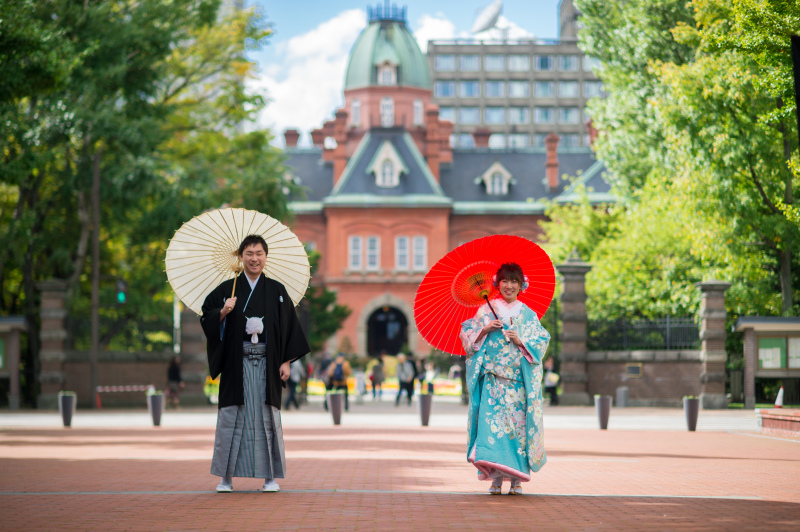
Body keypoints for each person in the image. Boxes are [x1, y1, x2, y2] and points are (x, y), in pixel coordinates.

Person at [200, 234, 310, 493]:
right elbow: (207, 316)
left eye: (259, 253)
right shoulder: (227, 289)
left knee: (266, 418)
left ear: (266, 257)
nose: (254, 258)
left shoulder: (277, 291)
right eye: (249, 253)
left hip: (267, 364)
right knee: (232, 418)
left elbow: (288, 329)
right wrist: (223, 312)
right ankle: (226, 478)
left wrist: (286, 361)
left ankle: (269, 478)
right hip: (235, 365)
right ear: (240, 257)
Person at [459, 262, 550, 495]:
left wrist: (521, 342)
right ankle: (496, 480)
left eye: (514, 282)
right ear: (497, 284)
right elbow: (468, 337)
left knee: (518, 431)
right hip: (492, 382)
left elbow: (541, 342)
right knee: (493, 430)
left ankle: (516, 480)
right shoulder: (485, 311)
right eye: (505, 281)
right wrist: (484, 329)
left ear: (521, 286)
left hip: (517, 384)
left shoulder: (528, 315)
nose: (509, 286)